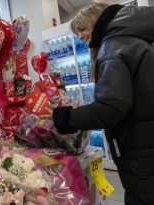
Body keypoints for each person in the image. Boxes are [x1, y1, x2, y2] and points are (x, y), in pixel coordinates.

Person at [45, 3, 154, 205]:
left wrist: (65, 117)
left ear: (95, 21)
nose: (80, 36)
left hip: (139, 147)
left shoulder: (113, 46)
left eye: (82, 29)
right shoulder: (136, 39)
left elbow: (111, 107)